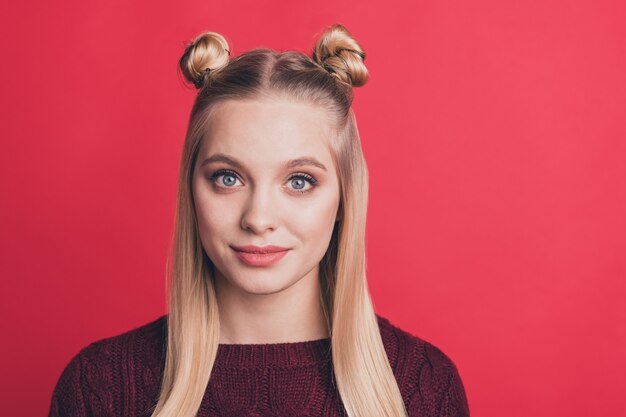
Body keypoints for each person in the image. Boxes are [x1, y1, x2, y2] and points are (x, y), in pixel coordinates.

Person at [48, 23, 470, 417]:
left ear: (344, 197)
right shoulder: (101, 389)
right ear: (190, 190)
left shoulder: (422, 388)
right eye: (228, 178)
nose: (259, 218)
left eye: (300, 181)